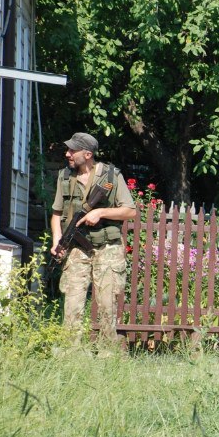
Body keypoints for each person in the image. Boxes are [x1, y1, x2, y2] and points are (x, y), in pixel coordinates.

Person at [49, 132, 138, 346]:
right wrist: (57, 241)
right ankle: (71, 351)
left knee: (107, 302)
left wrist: (101, 213)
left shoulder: (111, 176)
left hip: (108, 248)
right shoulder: (64, 177)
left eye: (73, 150)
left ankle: (108, 351)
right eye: (68, 149)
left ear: (88, 154)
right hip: (76, 248)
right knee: (72, 302)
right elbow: (56, 215)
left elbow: (129, 211)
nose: (67, 153)